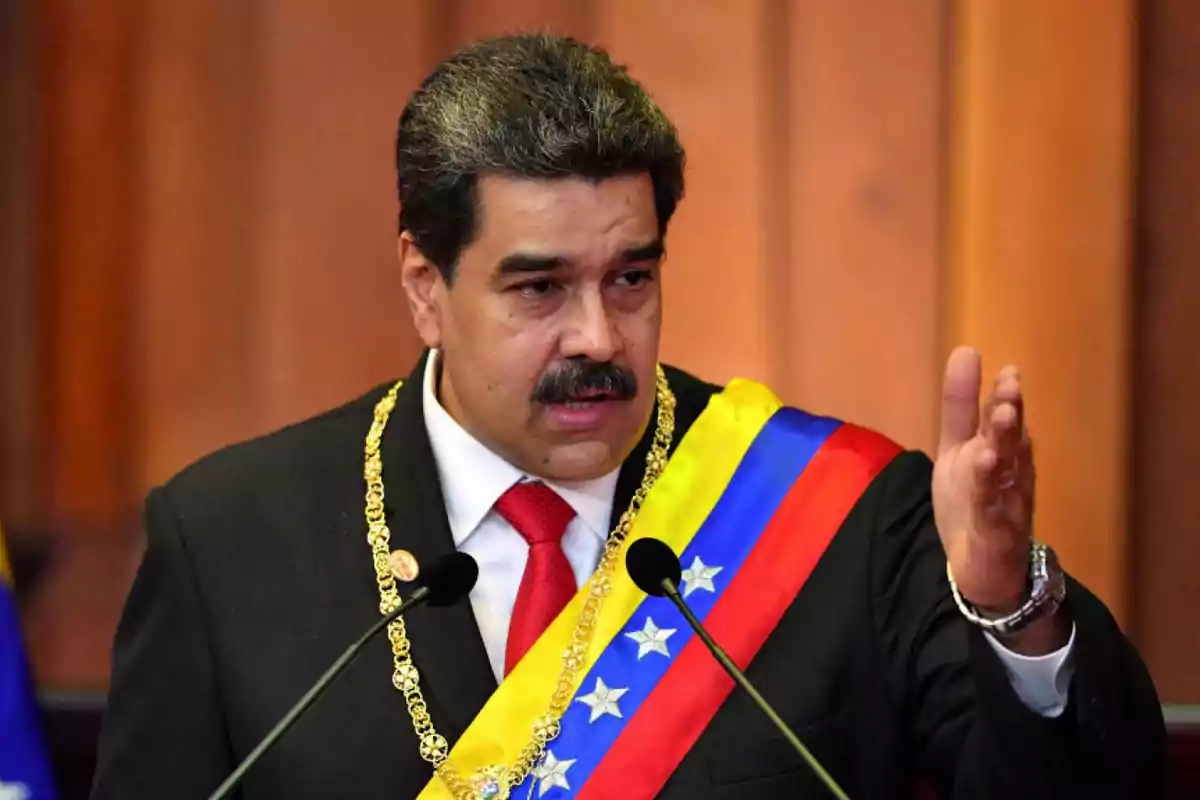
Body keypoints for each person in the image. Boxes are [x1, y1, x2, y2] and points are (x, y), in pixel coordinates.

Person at [91, 34, 1165, 800]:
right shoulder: (228, 542)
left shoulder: (839, 519)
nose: (600, 337)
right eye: (539, 288)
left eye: (632, 277)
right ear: (425, 284)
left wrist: (1010, 603)